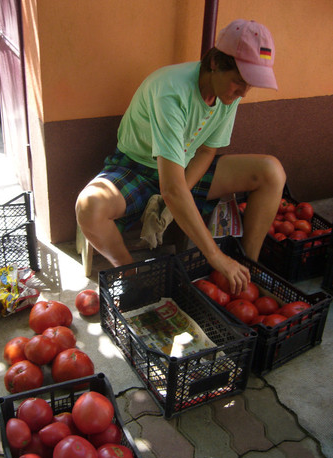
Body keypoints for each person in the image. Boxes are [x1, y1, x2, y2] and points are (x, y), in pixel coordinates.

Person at [75, 19, 286, 295]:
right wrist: (214, 255)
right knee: (89, 207)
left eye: (250, 85)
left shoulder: (228, 95)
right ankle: (131, 273)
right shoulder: (171, 91)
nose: (243, 93)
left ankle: (247, 270)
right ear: (215, 63)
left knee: (272, 171)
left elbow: (207, 150)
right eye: (239, 81)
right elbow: (170, 187)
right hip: (137, 168)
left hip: (184, 166)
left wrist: (180, 191)